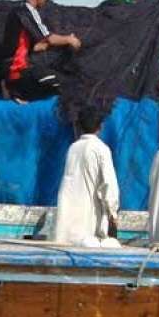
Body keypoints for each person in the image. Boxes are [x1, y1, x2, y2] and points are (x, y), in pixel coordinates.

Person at [1, 0, 82, 103]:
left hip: (10, 68)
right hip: (16, 70)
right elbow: (49, 38)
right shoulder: (28, 12)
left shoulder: (16, 11)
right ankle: (17, 92)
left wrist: (48, 46)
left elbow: (30, 46)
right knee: (61, 83)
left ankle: (14, 87)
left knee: (51, 77)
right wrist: (69, 39)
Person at [54, 106, 121, 248]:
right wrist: (112, 213)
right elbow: (109, 185)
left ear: (79, 126)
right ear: (101, 126)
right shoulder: (101, 149)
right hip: (88, 219)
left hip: (67, 218)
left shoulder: (73, 148)